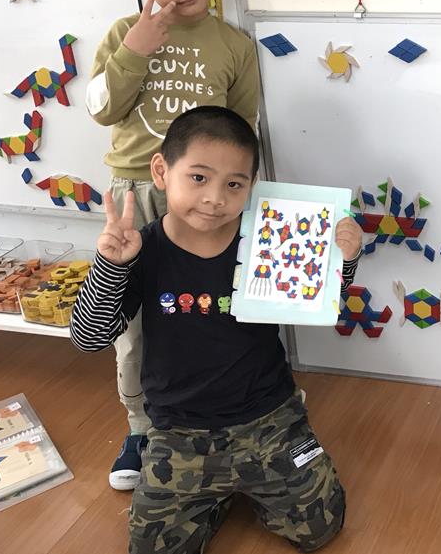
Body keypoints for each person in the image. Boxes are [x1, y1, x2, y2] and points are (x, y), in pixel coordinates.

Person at [71, 106, 361, 553]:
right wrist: (110, 266)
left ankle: (238, 486)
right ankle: (217, 495)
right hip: (178, 431)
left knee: (320, 528)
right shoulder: (142, 250)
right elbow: (88, 337)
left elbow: (321, 303)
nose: (214, 198)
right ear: (161, 171)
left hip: (269, 417)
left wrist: (345, 259)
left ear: (252, 187)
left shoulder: (266, 239)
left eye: (234, 184)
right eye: (198, 177)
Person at [86, 0, 261, 490]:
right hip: (139, 197)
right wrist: (137, 47)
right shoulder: (123, 34)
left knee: (213, 306)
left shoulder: (234, 44)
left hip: (208, 200)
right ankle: (142, 427)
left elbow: (242, 133)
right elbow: (102, 109)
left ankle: (242, 402)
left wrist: (242, 198)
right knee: (136, 324)